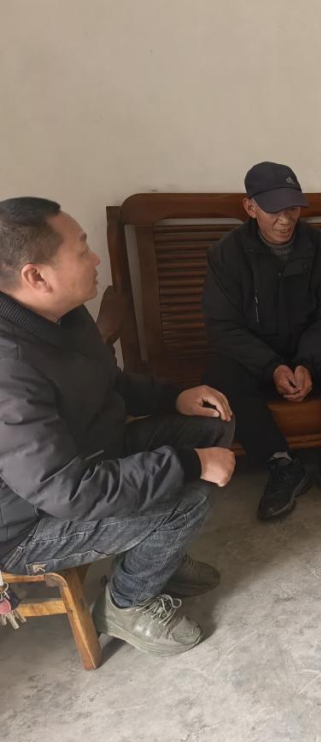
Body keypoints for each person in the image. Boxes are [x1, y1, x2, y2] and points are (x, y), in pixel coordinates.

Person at [0, 197, 236, 656]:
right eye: (81, 250)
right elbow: (68, 492)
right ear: (37, 277)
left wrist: (174, 397)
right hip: (30, 524)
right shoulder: (9, 367)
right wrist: (188, 464)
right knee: (186, 498)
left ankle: (155, 556)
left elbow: (109, 381)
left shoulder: (64, 314)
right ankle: (127, 603)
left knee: (212, 422)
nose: (95, 260)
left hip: (93, 454)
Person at [202, 162, 321, 521]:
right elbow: (223, 327)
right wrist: (273, 367)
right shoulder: (226, 254)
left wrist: (307, 362)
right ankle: (281, 464)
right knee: (220, 371)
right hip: (258, 359)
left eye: (293, 207)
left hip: (311, 355)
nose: (285, 219)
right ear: (250, 207)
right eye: (274, 209)